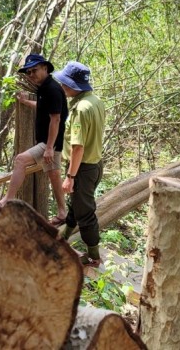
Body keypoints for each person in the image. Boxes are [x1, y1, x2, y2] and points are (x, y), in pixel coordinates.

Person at [0, 54, 69, 224]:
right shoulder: (45, 88)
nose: (31, 75)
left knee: (20, 160)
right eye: (28, 72)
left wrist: (50, 147)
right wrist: (25, 102)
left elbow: (56, 119)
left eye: (34, 70)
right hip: (49, 142)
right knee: (53, 174)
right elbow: (44, 106)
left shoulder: (52, 89)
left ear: (45, 68)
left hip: (49, 142)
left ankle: (5, 202)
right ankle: (62, 212)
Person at [54, 61, 106, 267]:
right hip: (94, 164)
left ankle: (94, 256)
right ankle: (62, 237)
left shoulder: (80, 109)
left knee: (85, 213)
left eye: (63, 83)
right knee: (75, 206)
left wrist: (70, 177)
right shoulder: (95, 101)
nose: (61, 86)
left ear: (71, 86)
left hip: (82, 168)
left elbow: (78, 147)